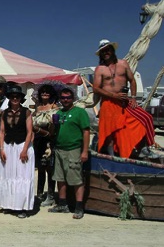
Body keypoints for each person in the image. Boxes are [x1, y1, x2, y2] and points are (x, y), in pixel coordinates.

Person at [93, 39, 154, 158]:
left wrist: (133, 98)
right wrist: (113, 95)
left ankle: (142, 148)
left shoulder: (123, 64)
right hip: (108, 102)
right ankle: (112, 156)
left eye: (108, 50)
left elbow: (132, 80)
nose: (106, 52)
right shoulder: (100, 69)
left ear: (112, 50)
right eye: (103, 51)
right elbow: (96, 88)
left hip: (123, 102)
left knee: (145, 118)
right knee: (110, 130)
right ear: (101, 54)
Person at [48, 88, 89, 219]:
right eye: (63, 98)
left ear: (73, 98)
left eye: (68, 97)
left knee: (76, 179)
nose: (65, 100)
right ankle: (62, 204)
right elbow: (53, 133)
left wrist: (84, 151)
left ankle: (78, 207)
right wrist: (53, 124)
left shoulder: (80, 112)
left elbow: (86, 131)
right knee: (60, 178)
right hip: (59, 149)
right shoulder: (59, 113)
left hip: (74, 149)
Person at [0, 85, 34, 219]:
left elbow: (30, 132)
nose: (15, 98)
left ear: (21, 98)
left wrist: (25, 150)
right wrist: (1, 148)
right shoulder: (4, 113)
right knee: (8, 174)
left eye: (17, 96)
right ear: (9, 98)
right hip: (8, 146)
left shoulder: (27, 112)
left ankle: (22, 207)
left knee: (22, 176)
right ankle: (8, 204)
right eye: (12, 96)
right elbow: (1, 131)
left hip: (22, 145)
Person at [32, 84, 59, 207]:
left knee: (50, 168)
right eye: (43, 92)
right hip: (38, 140)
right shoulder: (37, 108)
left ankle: (51, 195)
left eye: (47, 92)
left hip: (49, 139)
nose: (45, 94)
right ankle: (39, 194)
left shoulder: (54, 107)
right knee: (41, 167)